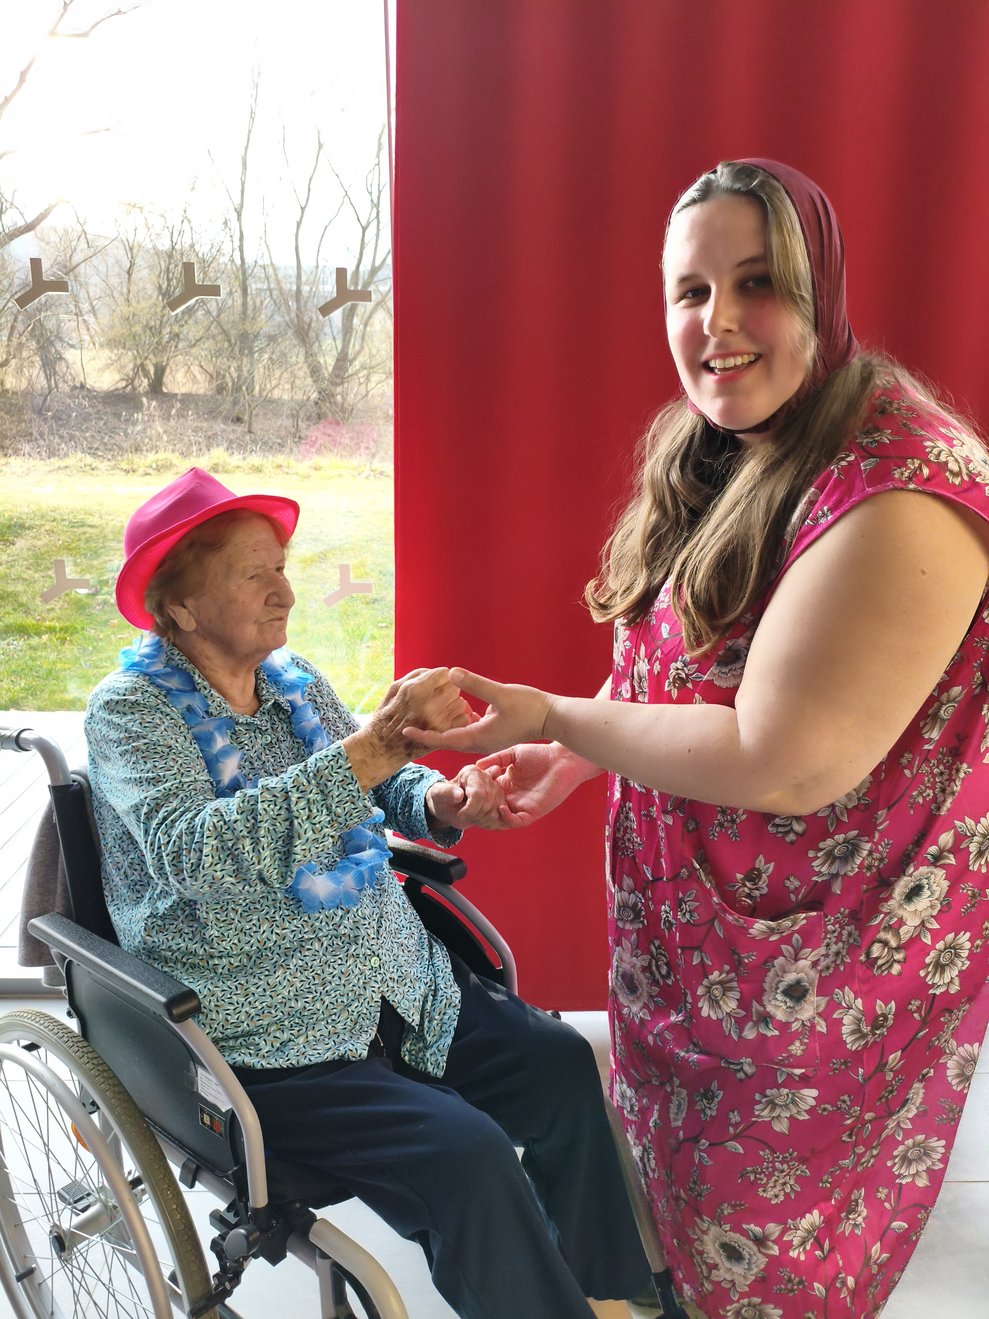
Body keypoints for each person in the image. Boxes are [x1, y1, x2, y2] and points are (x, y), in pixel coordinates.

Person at [404, 159, 989, 1317]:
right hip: (696, 964)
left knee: (771, 1270)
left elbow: (785, 757)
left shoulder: (902, 493)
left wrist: (551, 713)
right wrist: (578, 754)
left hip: (810, 992)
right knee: (681, 1228)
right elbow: (690, 666)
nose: (715, 321)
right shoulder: (740, 438)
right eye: (689, 290)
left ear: (821, 287)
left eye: (755, 282)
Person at [85, 466, 654, 1319]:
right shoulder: (132, 713)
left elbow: (377, 779)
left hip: (395, 978)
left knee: (560, 1065)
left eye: (282, 567)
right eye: (253, 574)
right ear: (180, 606)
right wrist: (373, 750)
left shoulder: (292, 680)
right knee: (467, 1154)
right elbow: (195, 851)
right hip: (269, 1033)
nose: (284, 592)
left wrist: (440, 799)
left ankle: (609, 1287)